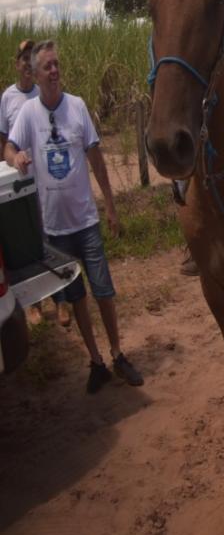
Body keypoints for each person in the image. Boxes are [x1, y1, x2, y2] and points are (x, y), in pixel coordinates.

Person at [3, 40, 143, 392]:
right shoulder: (28, 114)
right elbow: (8, 146)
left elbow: (96, 159)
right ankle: (96, 361)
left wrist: (110, 206)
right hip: (54, 230)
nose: (54, 71)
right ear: (35, 74)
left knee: (104, 292)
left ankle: (117, 352)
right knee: (77, 298)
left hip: (85, 223)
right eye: (47, 67)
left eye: (56, 65)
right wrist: (15, 159)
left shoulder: (77, 107)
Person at [0, 39, 61, 325]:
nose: (27, 63)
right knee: (27, 242)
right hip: (19, 186)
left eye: (30, 58)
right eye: (23, 58)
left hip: (45, 181)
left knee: (51, 240)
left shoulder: (42, 94)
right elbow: (4, 142)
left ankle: (61, 299)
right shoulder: (8, 98)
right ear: (17, 64)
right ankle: (35, 303)